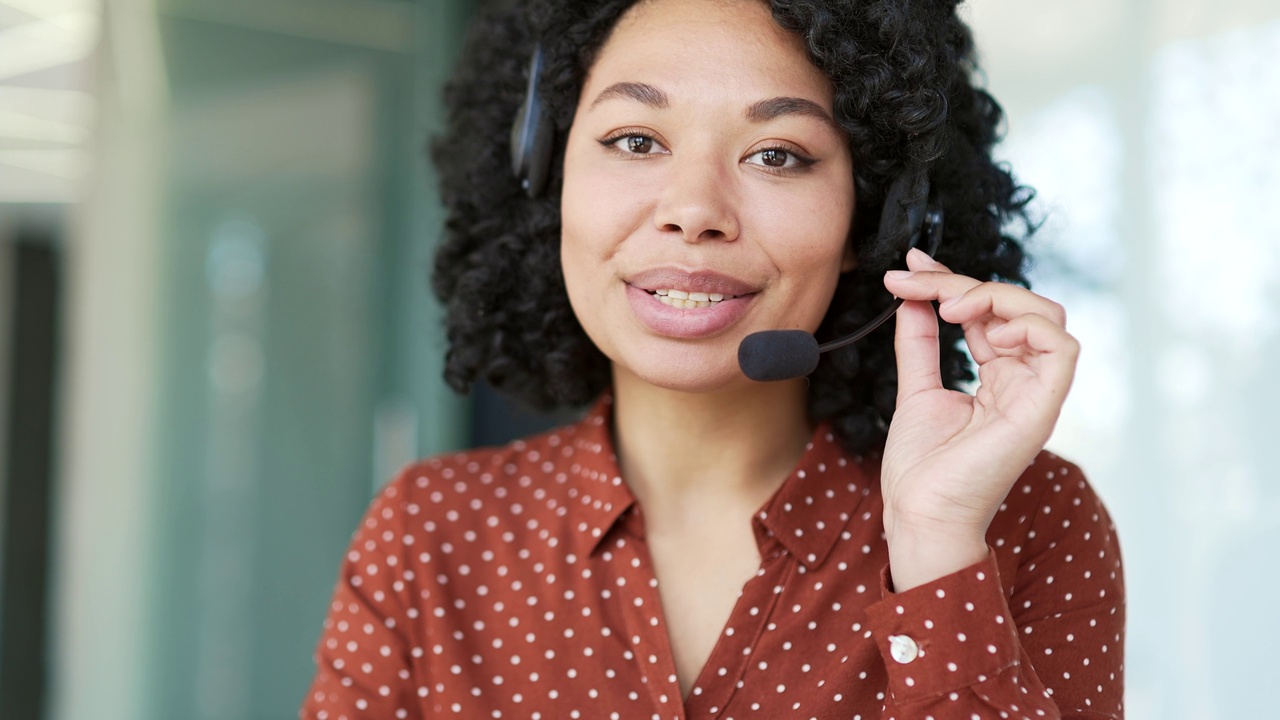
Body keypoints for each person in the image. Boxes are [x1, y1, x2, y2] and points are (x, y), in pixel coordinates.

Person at [301, 0, 1125, 718]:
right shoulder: (429, 536)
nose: (694, 210)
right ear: (546, 179)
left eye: (777, 154)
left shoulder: (1024, 520)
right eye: (633, 140)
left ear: (870, 220)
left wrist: (938, 548)